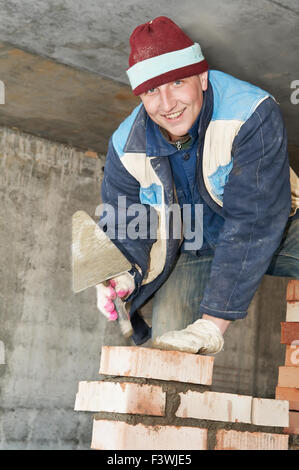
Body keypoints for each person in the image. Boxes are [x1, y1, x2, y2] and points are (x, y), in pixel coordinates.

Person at [95, 16, 299, 353]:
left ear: (202, 76)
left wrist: (211, 324)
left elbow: (254, 221)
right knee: (169, 353)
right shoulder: (124, 147)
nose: (167, 104)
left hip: (279, 225)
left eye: (177, 83)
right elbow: (125, 223)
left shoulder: (250, 113)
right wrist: (121, 276)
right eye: (151, 91)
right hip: (191, 248)